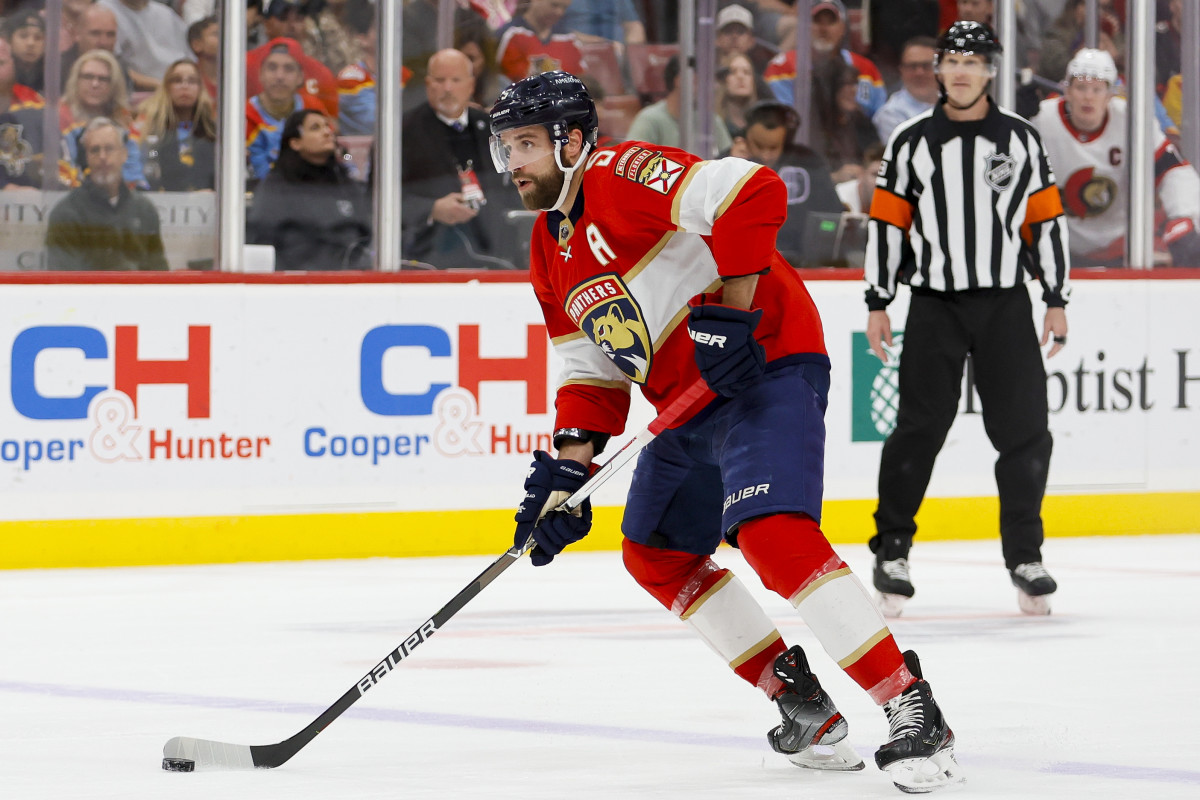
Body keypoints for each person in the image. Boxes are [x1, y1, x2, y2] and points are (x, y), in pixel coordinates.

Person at [488, 69, 964, 794]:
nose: (512, 163)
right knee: (655, 553)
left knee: (771, 532)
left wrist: (733, 313)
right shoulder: (548, 249)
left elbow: (754, 191)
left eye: (525, 144)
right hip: (684, 404)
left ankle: (910, 705)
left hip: (765, 366)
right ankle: (801, 701)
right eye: (504, 147)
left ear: (573, 141)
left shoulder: (622, 173)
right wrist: (566, 474)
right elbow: (589, 368)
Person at [862, 21, 1071, 618]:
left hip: (1006, 303)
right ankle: (893, 550)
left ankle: (1026, 556)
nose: (960, 70)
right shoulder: (908, 142)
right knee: (918, 429)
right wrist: (878, 301)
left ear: (990, 71)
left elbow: (1044, 223)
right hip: (934, 304)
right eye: (952, 59)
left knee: (1025, 431)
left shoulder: (1022, 140)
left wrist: (1055, 297)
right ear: (938, 69)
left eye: (973, 61)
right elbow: (887, 226)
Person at [1030, 48, 1200, 268]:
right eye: (1081, 87)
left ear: (1111, 94)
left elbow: (1173, 170)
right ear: (1067, 91)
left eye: (1097, 89)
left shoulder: (1132, 120)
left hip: (1120, 246)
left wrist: (1184, 215)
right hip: (1055, 245)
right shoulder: (1042, 119)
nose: (1088, 97)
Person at [400, 49, 523, 269]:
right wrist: (432, 209)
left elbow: (512, 187)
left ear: (471, 85)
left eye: (455, 80)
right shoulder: (403, 132)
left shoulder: (494, 129)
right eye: (440, 80)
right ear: (428, 84)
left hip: (496, 251)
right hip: (430, 252)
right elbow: (378, 200)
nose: (448, 88)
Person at [248, 108, 371, 270]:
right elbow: (261, 241)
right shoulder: (276, 187)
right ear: (295, 143)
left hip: (350, 281)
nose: (327, 132)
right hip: (297, 284)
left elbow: (366, 234)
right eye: (315, 128)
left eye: (327, 127)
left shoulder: (345, 183)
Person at [46, 117, 168, 271]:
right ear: (87, 158)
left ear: (124, 154)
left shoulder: (144, 210)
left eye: (109, 148)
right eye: (95, 150)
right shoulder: (65, 214)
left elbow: (159, 274)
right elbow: (63, 283)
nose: (102, 157)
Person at [731, 99, 842, 265]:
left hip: (804, 264)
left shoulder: (809, 162)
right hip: (743, 262)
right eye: (760, 147)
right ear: (744, 139)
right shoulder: (728, 164)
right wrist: (732, 168)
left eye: (773, 148)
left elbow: (831, 216)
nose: (766, 155)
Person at [764, 0, 886, 118]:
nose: (824, 29)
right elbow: (781, 121)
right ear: (805, 27)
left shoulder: (866, 68)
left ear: (843, 28)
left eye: (831, 22)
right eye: (817, 21)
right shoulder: (781, 67)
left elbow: (880, 118)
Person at [59, 49, 147, 188]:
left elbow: (137, 168)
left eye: (103, 79)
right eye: (88, 77)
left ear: (114, 85)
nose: (95, 84)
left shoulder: (126, 121)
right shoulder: (56, 117)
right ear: (76, 80)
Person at [246, 37, 327, 182]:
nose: (279, 76)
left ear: (300, 77)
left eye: (288, 69)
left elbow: (345, 155)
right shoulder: (243, 115)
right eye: (272, 68)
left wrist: (349, 157)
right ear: (260, 75)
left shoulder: (313, 108)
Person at [133, 59, 217, 192]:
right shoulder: (149, 127)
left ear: (200, 88)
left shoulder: (213, 131)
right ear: (167, 87)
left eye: (192, 81)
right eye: (177, 80)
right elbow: (143, 168)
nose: (185, 86)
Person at [626, 55, 733, 157]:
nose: (715, 86)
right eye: (706, 79)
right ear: (681, 80)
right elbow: (630, 161)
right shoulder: (650, 119)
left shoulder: (711, 120)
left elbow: (729, 161)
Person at [248, 0, 339, 117]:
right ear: (266, 23)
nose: (292, 26)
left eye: (298, 19)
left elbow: (332, 125)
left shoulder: (321, 73)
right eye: (283, 18)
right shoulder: (245, 66)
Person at [810, 59, 881, 184]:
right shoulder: (809, 128)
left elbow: (877, 157)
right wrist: (835, 177)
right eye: (846, 84)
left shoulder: (860, 121)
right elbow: (805, 177)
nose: (853, 90)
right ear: (828, 90)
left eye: (854, 84)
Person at [98, 0, 191, 91]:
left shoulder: (166, 13)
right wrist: (164, 86)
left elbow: (191, 57)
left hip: (179, 87)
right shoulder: (103, 10)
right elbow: (111, 67)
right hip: (137, 93)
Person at [496, 0, 588, 82]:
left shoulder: (569, 39)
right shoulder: (511, 35)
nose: (559, 12)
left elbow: (581, 82)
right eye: (554, 5)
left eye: (564, 8)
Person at [872, 36, 939, 143]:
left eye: (926, 66)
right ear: (901, 71)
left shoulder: (957, 103)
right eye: (912, 66)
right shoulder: (890, 114)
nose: (919, 73)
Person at [0, 34, 44, 189]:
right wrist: (6, 187)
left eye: (0, 63)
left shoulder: (9, 121)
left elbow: (15, 170)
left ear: (13, 66)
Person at [715, 52, 773, 140]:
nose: (740, 76)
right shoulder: (714, 123)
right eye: (733, 72)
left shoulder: (764, 123)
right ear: (724, 80)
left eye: (747, 72)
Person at [836, 141, 884, 214]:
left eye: (887, 177)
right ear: (862, 175)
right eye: (875, 175)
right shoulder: (839, 198)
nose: (880, 183)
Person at [2, 10, 44, 93]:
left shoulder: (52, 74)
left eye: (38, 38)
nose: (31, 43)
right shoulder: (3, 73)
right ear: (9, 40)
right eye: (23, 36)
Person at [187, 15, 220, 103]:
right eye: (216, 34)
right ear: (197, 45)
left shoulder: (240, 76)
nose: (225, 38)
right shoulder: (187, 78)